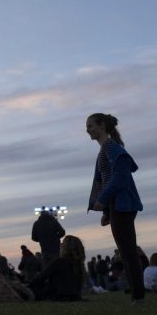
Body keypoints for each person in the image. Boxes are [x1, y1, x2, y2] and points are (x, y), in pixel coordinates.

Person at [85, 113, 145, 303]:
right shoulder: (106, 149)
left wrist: (102, 200)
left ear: (102, 126)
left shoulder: (111, 147)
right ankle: (137, 295)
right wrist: (106, 211)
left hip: (123, 204)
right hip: (116, 205)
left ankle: (138, 296)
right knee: (126, 251)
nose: (87, 130)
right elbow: (106, 180)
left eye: (90, 126)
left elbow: (120, 177)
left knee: (128, 253)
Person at [27, 235, 85, 301]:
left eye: (63, 243)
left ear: (65, 247)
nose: (61, 245)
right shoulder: (79, 265)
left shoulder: (60, 261)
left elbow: (41, 277)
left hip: (56, 295)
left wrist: (28, 285)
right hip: (74, 296)